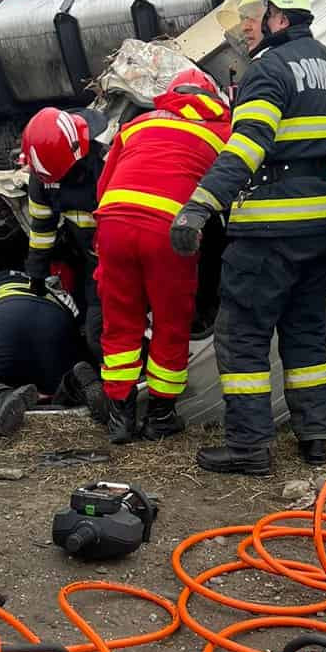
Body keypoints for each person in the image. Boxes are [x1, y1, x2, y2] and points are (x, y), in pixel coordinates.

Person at [169, 0, 326, 474]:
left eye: (252, 16)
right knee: (305, 332)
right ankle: (316, 439)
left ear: (279, 15)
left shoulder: (268, 71)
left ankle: (248, 449)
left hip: (268, 229)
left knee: (242, 335)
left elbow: (245, 148)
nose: (244, 27)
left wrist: (199, 207)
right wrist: (325, 174)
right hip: (323, 229)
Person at [94, 69, 231, 443]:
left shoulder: (138, 123)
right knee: (172, 321)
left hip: (115, 222)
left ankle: (119, 417)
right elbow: (230, 190)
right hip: (169, 230)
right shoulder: (222, 131)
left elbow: (104, 185)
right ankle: (160, 415)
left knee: (120, 321)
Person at [0, 271, 105, 435]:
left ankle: (0, 399)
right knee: (51, 387)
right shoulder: (58, 288)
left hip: (8, 317)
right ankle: (74, 383)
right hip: (58, 324)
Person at [21, 106, 109, 358]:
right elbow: (41, 228)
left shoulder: (106, 164)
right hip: (86, 259)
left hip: (116, 261)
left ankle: (128, 385)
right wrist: (36, 275)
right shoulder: (41, 177)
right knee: (82, 325)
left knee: (99, 332)